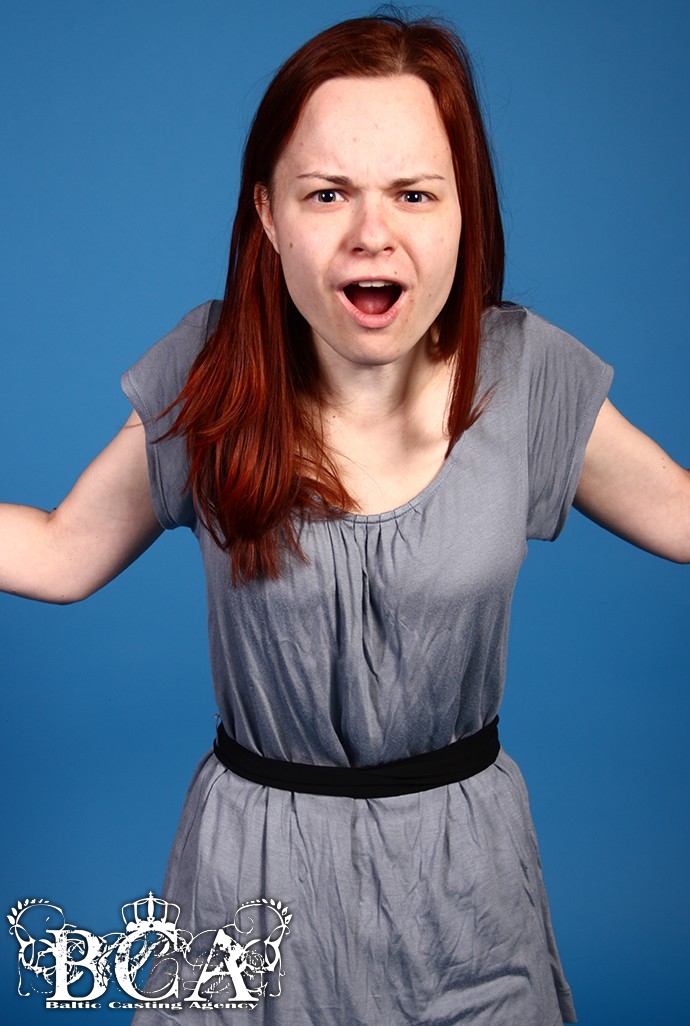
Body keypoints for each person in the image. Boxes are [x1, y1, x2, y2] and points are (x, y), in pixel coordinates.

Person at [1, 12, 688, 1025]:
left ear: (465, 211)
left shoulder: (529, 375)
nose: (374, 232)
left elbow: (682, 514)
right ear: (269, 215)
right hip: (250, 891)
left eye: (415, 193)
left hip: (463, 898)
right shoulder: (213, 372)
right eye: (328, 194)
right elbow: (62, 553)